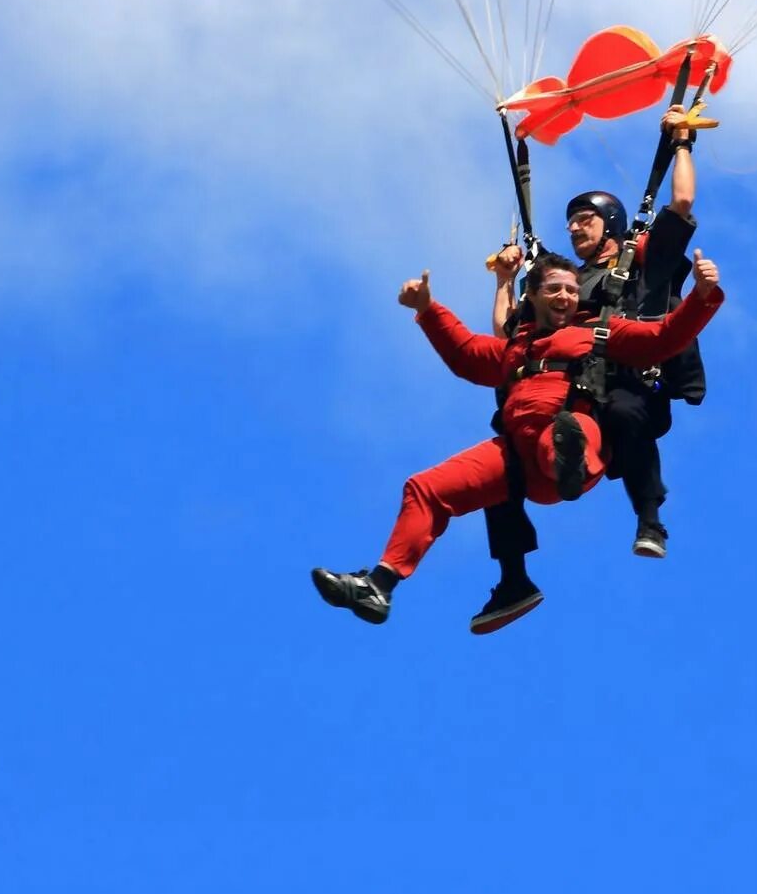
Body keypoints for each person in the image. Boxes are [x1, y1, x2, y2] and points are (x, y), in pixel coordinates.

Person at [310, 248, 724, 629]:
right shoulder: (516, 348)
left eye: (572, 289)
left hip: (572, 436)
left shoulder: (599, 332)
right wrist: (427, 309)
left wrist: (701, 297)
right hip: (517, 460)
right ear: (534, 295)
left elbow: (662, 339)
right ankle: (379, 585)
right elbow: (465, 354)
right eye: (555, 289)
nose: (566, 296)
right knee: (425, 488)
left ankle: (569, 462)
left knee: (563, 434)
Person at [473, 106, 706, 631]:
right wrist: (505, 280)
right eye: (571, 221)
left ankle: (650, 520)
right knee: (502, 456)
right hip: (565, 386)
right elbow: (508, 336)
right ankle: (513, 579)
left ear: (612, 225)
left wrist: (682, 141)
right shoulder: (561, 283)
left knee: (625, 412)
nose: (575, 227)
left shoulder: (639, 262)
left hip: (622, 377)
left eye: (586, 219)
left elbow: (682, 204)